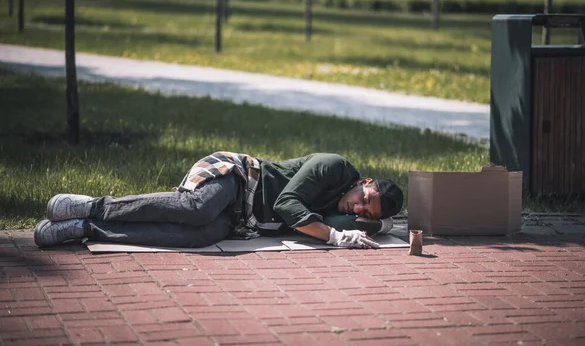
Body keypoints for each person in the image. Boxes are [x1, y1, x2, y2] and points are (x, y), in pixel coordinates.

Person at [34, 152, 403, 249]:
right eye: (363, 198)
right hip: (239, 177)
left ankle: (86, 228)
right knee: (197, 209)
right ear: (364, 181)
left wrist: (380, 224)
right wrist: (336, 237)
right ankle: (93, 205)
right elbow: (287, 206)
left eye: (364, 212)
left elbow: (347, 225)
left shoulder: (347, 209)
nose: (356, 209)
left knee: (198, 236)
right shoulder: (333, 167)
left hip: (242, 220)